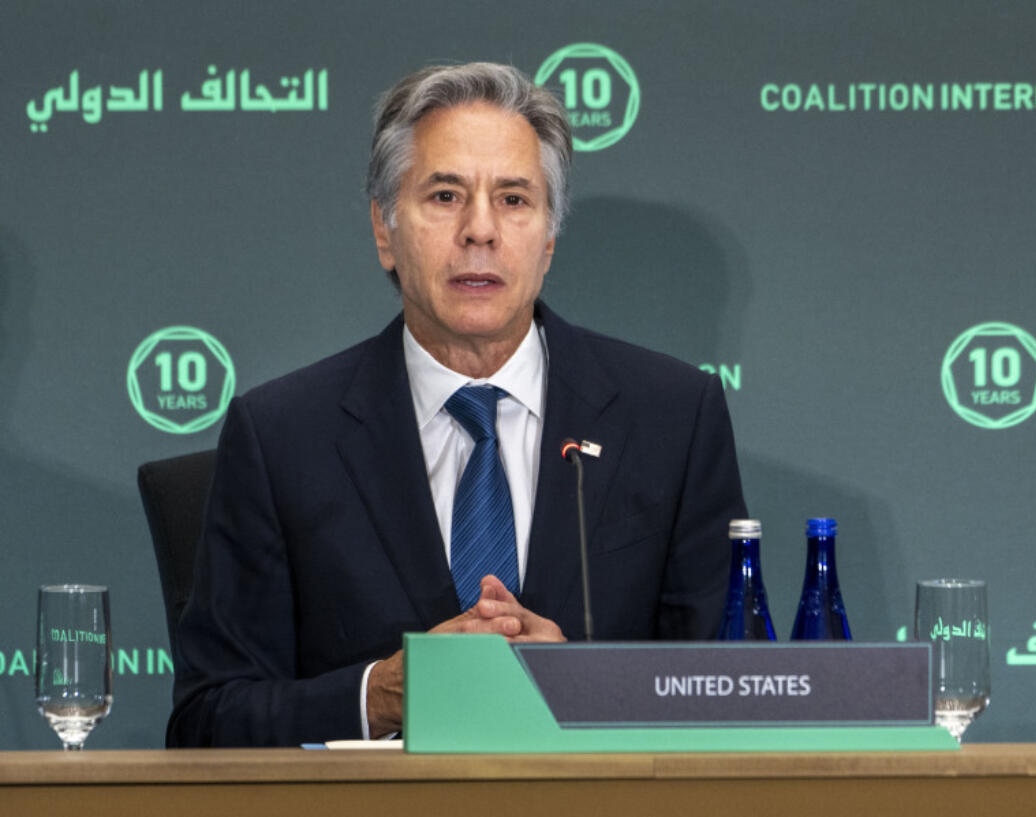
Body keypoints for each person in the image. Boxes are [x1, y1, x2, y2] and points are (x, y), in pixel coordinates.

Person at [168, 62, 746, 747]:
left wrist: (587, 684)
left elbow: (731, 694)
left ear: (549, 238)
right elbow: (207, 722)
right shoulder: (281, 436)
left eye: (513, 199)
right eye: (444, 196)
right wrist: (377, 693)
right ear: (385, 230)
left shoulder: (673, 418)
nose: (480, 230)